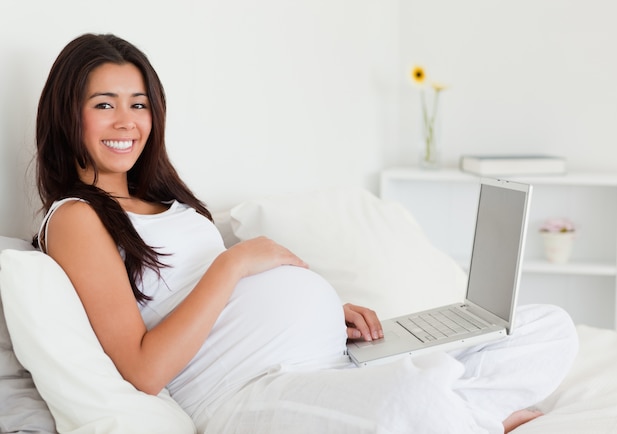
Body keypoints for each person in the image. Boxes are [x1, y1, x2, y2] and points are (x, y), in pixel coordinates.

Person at [34, 33, 578, 434]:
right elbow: (144, 369)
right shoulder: (77, 217)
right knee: (419, 392)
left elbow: (222, 303)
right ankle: (468, 413)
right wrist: (236, 261)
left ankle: (459, 410)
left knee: (549, 328)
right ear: (67, 114)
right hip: (249, 393)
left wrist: (325, 312)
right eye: (104, 105)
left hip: (331, 358)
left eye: (139, 104)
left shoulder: (166, 199)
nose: (127, 121)